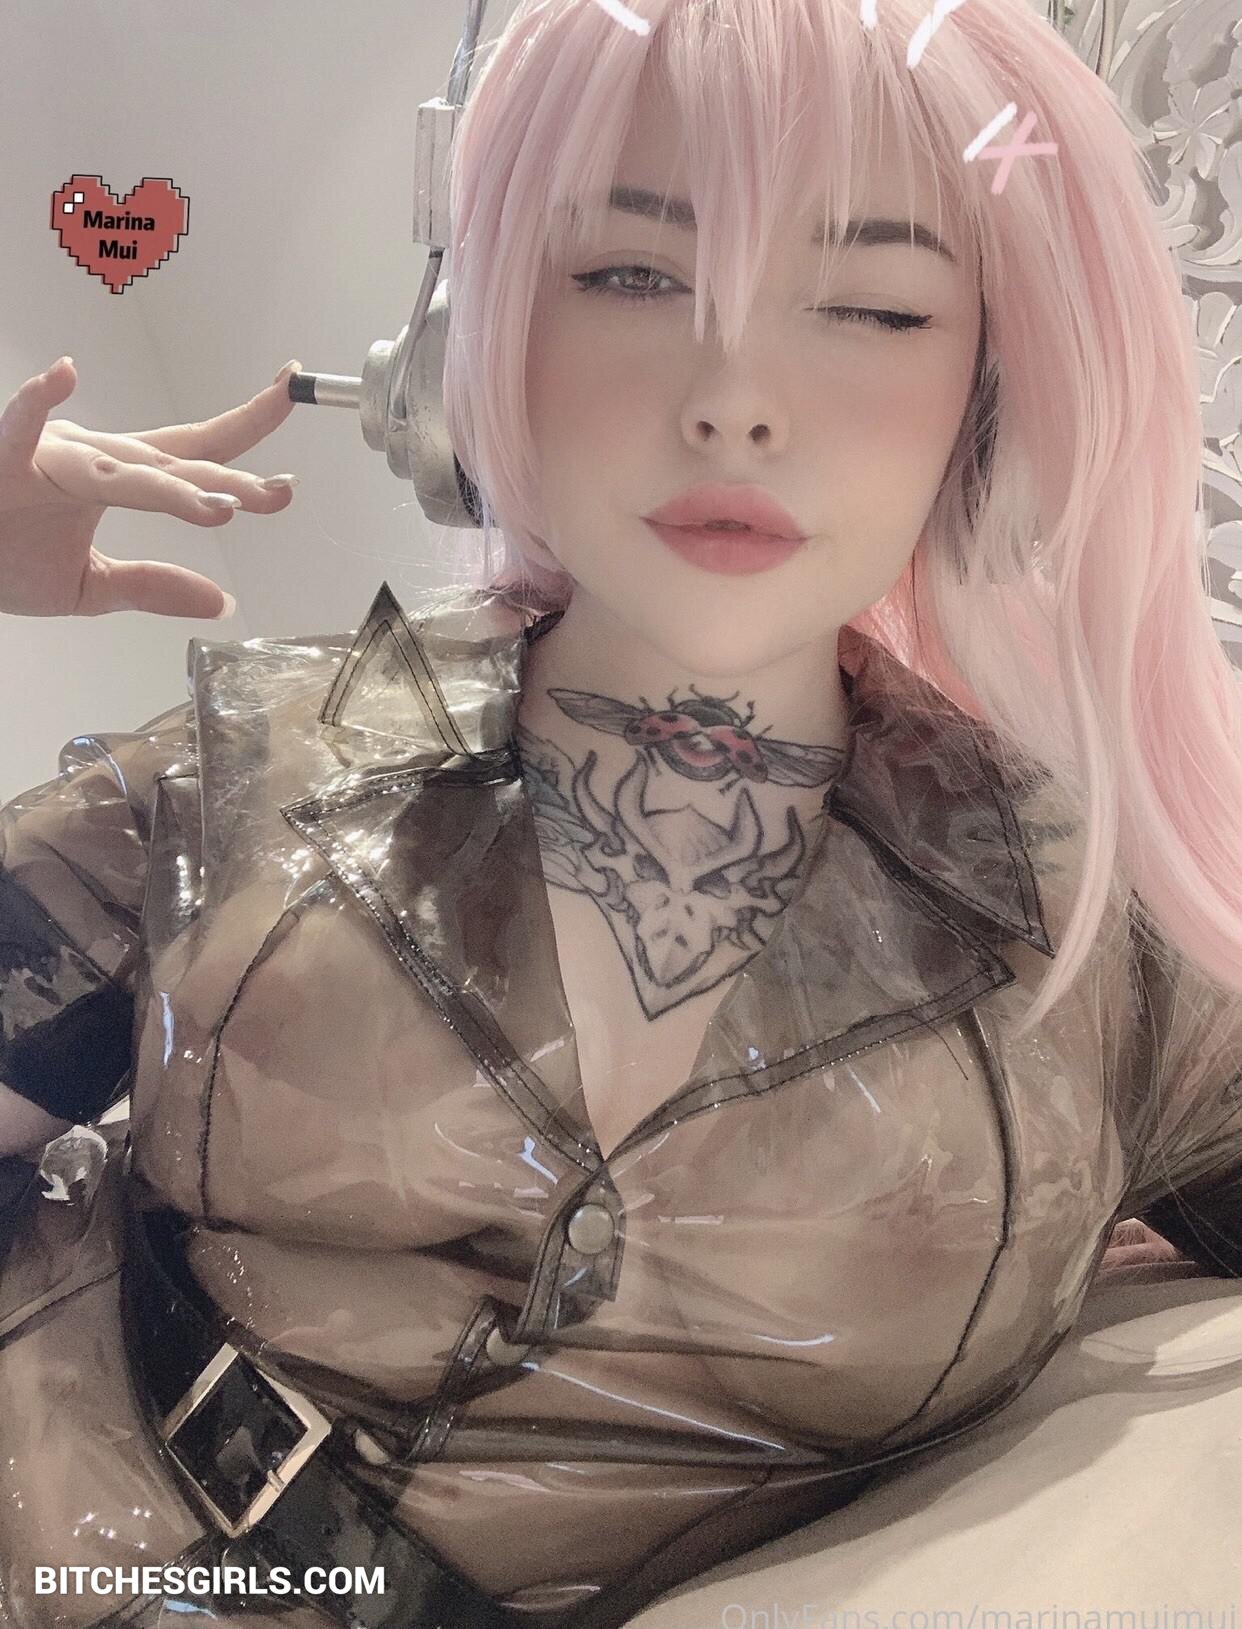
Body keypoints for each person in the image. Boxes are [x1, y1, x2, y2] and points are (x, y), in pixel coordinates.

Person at [2, 0, 1242, 1626]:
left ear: (994, 393)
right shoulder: (237, 770)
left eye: (872, 306)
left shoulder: (1093, 927)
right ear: (480, 340)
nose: (735, 400)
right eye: (632, 277)